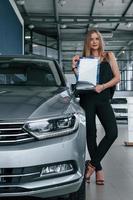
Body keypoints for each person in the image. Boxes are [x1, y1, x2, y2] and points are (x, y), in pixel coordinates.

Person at [72, 29, 120, 185]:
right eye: (91, 39)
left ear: (100, 41)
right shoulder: (84, 60)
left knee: (112, 132)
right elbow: (83, 82)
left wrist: (103, 86)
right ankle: (99, 170)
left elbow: (117, 77)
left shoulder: (108, 56)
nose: (94, 41)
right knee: (90, 135)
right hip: (88, 100)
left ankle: (91, 164)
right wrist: (74, 68)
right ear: (88, 42)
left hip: (103, 98)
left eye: (96, 39)